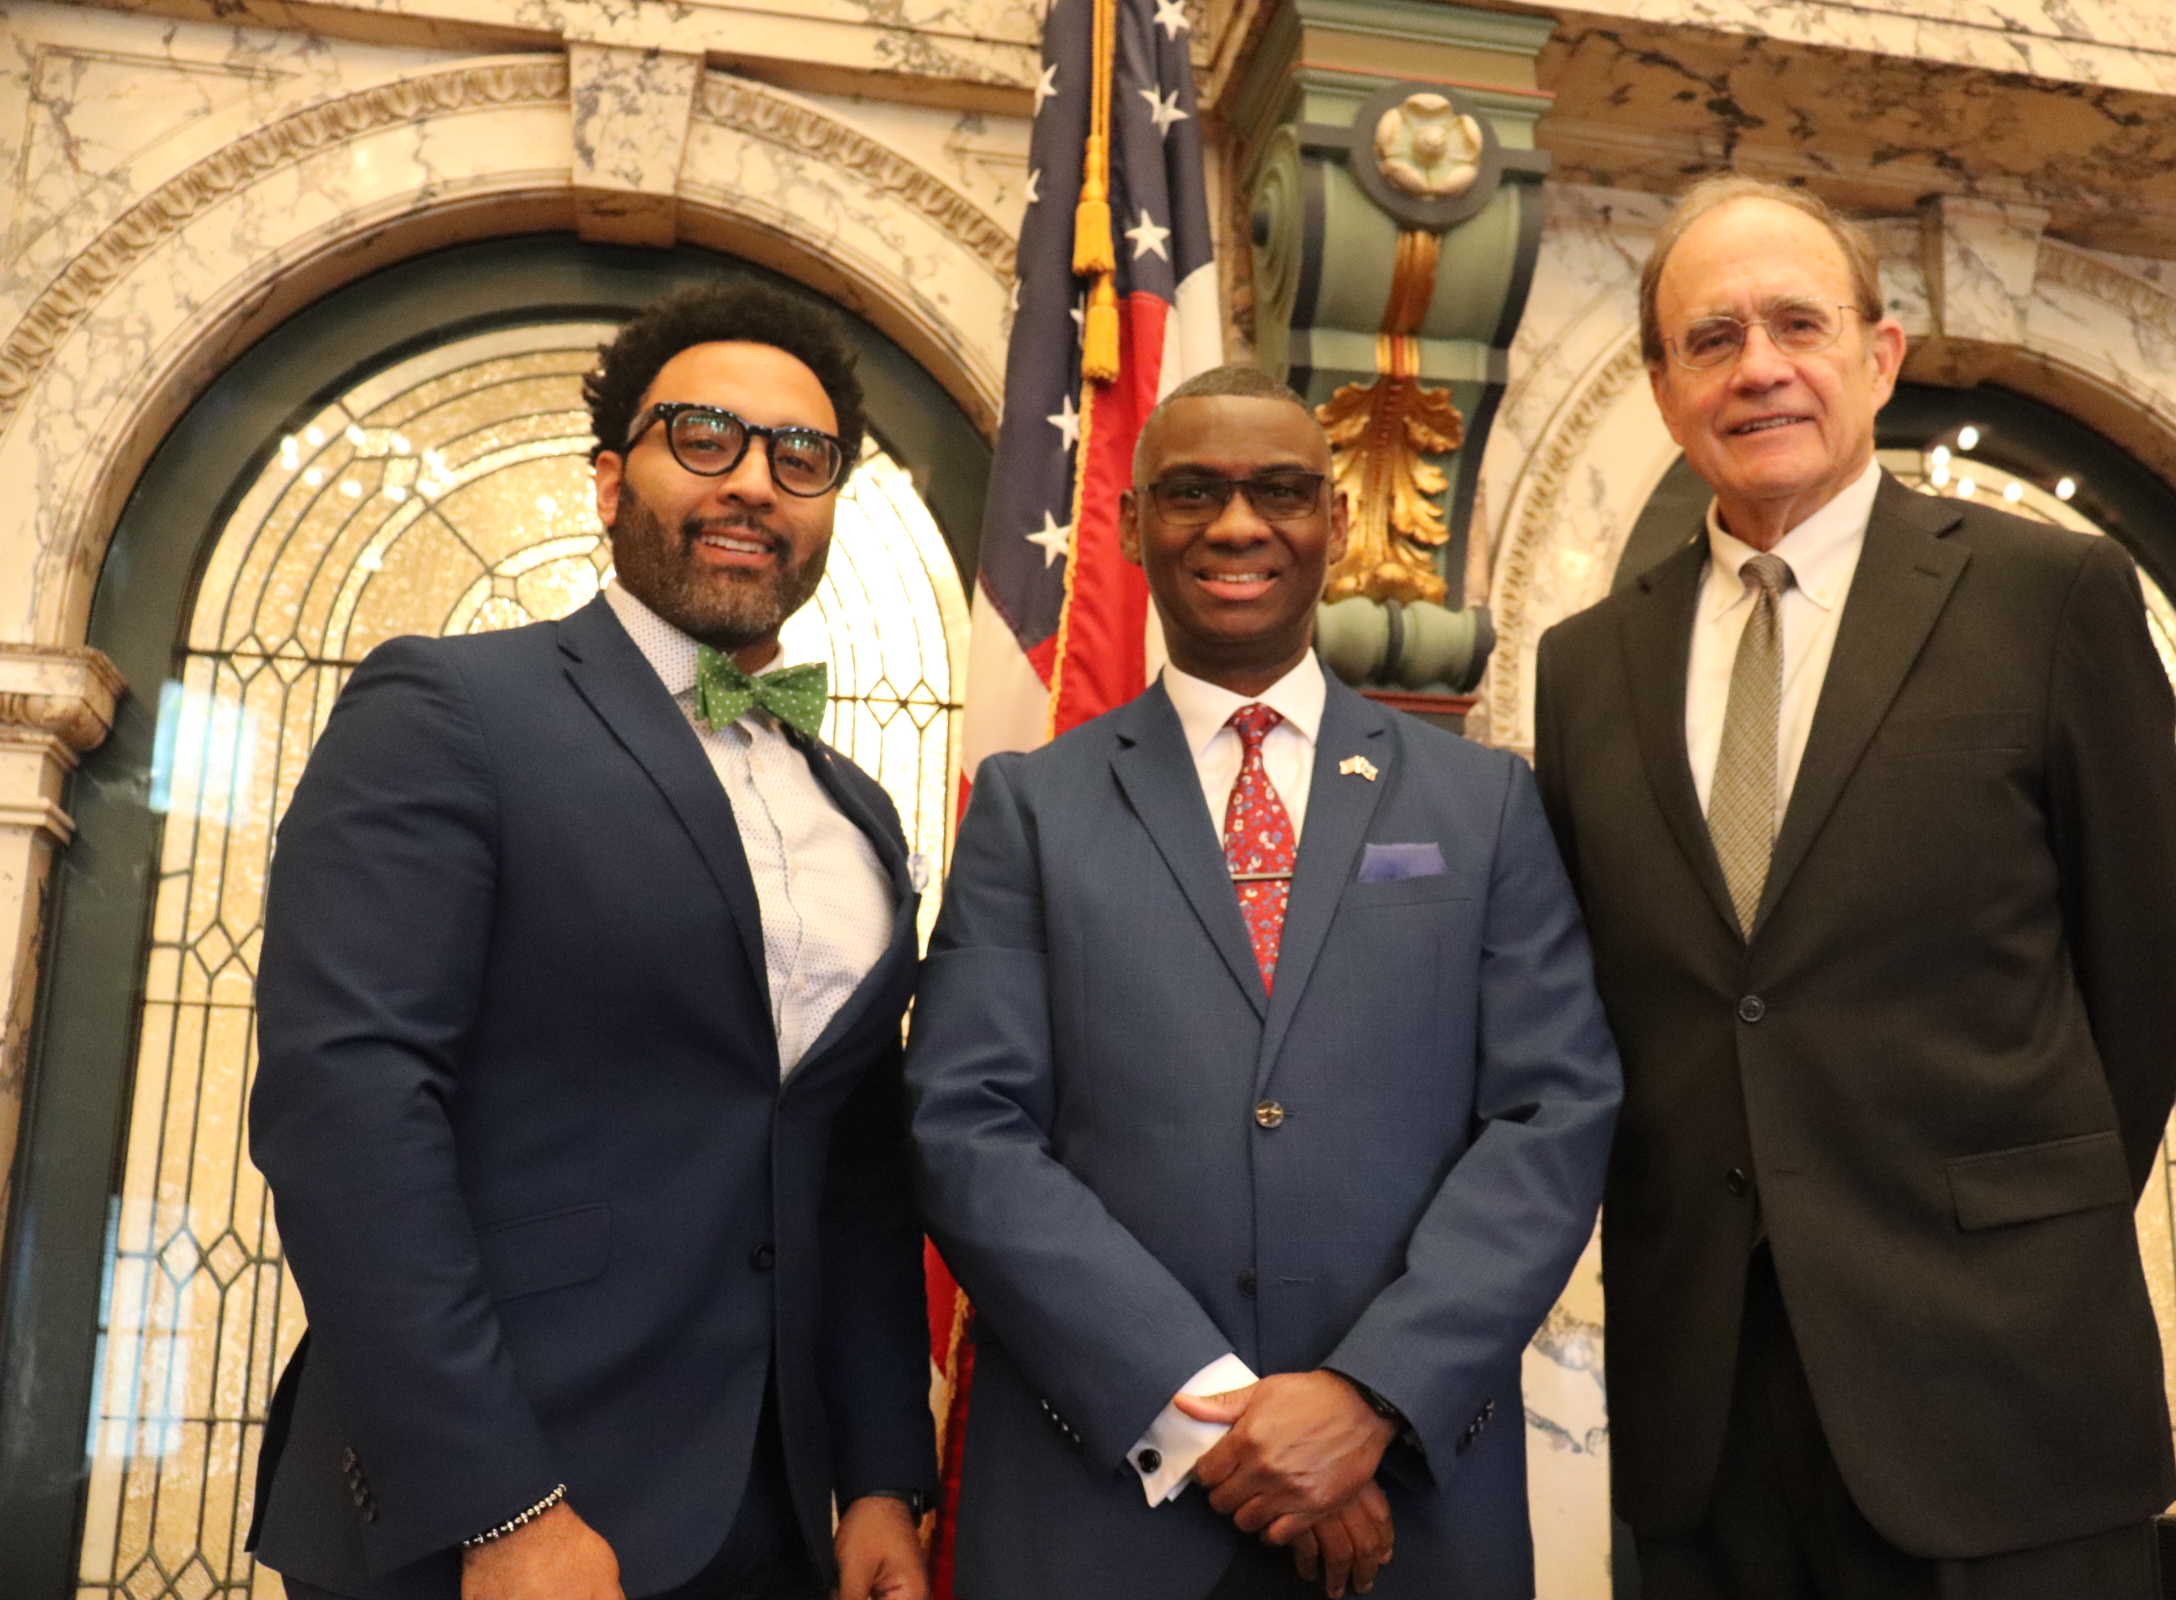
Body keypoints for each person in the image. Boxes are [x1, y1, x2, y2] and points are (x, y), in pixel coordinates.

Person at [1534, 174, 2176, 1599]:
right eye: (1712, 339)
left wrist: (2013, 1225)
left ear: (1879, 356)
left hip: (2004, 1378)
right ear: (1664, 388)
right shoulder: (1585, 668)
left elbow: (2141, 984)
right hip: (1710, 1410)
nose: (1758, 367)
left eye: (1797, 324)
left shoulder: (2051, 596)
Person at [248, 281, 936, 1600]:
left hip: (774, 1525)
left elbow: (852, 1167)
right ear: (611, 480)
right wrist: (501, 1506)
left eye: (801, 456)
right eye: (705, 438)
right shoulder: (449, 707)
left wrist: (881, 1477)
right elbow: (348, 1111)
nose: (755, 482)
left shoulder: (858, 808)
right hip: (485, 1516)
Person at [907, 365, 1622, 1600]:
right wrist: (1207, 1413)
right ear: (1131, 525)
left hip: (1410, 1507)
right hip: (1104, 1510)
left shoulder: (1484, 803)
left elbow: (1552, 1114)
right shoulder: (1031, 808)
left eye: (1280, 491)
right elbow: (967, 1128)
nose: (1238, 525)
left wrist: (1369, 1397)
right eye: (1193, 492)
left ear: (1335, 523)